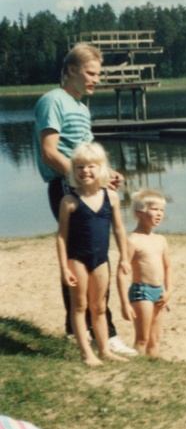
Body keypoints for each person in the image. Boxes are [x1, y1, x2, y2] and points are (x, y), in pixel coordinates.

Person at [33, 42, 136, 356]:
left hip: (86, 186)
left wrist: (108, 173)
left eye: (98, 74)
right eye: (91, 73)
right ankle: (99, 330)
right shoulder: (53, 100)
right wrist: (81, 180)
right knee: (82, 257)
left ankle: (84, 328)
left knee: (94, 255)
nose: (96, 79)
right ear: (72, 70)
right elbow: (50, 152)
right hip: (66, 189)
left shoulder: (81, 107)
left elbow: (87, 155)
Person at [56, 143, 130, 366]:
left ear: (101, 169)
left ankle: (105, 349)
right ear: (73, 170)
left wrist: (124, 257)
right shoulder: (69, 201)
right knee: (79, 306)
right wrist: (64, 267)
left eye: (90, 166)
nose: (85, 171)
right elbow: (61, 237)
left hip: (101, 260)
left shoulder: (111, 197)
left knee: (99, 306)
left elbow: (118, 229)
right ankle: (86, 353)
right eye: (79, 167)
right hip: (77, 259)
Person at [118, 189, 172, 357]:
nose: (159, 214)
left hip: (159, 292)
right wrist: (125, 303)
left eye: (162, 210)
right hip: (141, 292)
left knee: (155, 339)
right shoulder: (132, 240)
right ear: (139, 213)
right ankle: (137, 367)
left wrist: (169, 291)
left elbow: (168, 267)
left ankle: (154, 368)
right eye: (154, 209)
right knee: (143, 338)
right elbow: (121, 273)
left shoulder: (161, 240)